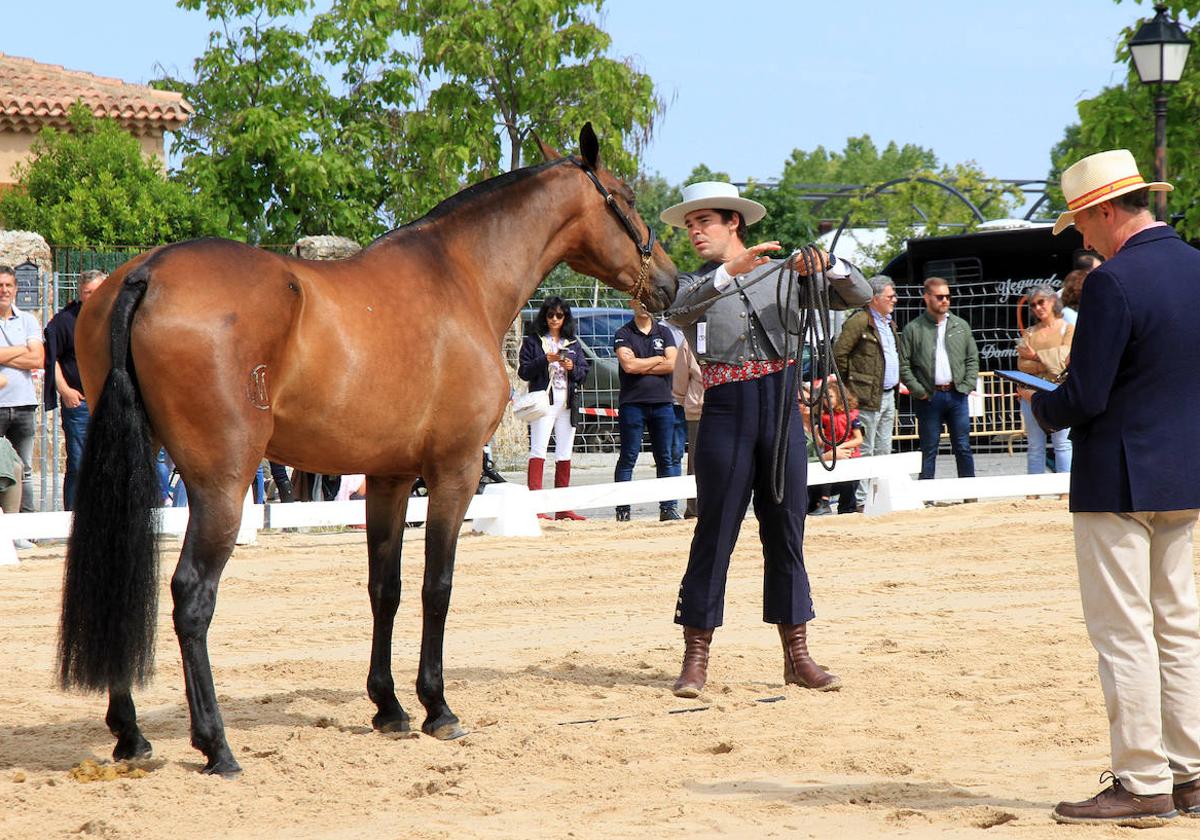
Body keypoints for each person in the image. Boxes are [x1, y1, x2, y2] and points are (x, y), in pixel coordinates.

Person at [1029, 149, 1200, 827]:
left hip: (1118, 476)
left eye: (1080, 224)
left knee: (1125, 633)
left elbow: (1088, 395)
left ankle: (1142, 779)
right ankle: (1191, 774)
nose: (1081, 237)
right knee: (1180, 626)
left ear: (1103, 210)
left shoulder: (1111, 282)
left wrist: (1045, 405)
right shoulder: (1195, 266)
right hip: (1186, 471)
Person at [663, 180, 871, 697]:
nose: (694, 232)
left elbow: (861, 294)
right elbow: (676, 312)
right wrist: (728, 273)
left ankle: (797, 655)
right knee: (714, 532)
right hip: (726, 408)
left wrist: (829, 266)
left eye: (703, 222)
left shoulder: (787, 271)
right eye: (689, 225)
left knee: (787, 531)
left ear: (734, 221)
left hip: (780, 407)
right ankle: (695, 658)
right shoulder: (696, 283)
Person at [899, 277, 979, 481]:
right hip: (929, 396)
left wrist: (967, 385)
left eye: (948, 296)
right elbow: (904, 364)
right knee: (928, 447)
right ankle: (926, 496)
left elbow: (972, 358)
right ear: (927, 298)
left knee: (963, 446)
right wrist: (919, 391)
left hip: (957, 395)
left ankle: (970, 494)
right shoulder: (913, 329)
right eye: (940, 296)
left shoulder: (960, 326)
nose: (945, 300)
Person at [518, 297, 590, 521]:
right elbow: (524, 371)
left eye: (559, 315)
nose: (555, 319)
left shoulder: (573, 343)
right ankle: (536, 507)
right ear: (544, 317)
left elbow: (583, 372)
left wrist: (572, 367)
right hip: (544, 402)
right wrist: (545, 360)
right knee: (538, 450)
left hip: (568, 403)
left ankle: (563, 507)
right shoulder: (534, 341)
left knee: (565, 452)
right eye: (550, 315)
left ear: (565, 317)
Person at [833, 275, 899, 511]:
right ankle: (860, 500)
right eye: (891, 296)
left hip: (888, 394)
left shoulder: (888, 322)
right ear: (875, 298)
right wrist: (848, 389)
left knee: (883, 448)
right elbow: (839, 353)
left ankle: (878, 498)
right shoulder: (859, 321)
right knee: (866, 449)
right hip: (865, 396)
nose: (895, 300)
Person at [43, 269, 106, 509]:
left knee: (108, 465)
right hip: (79, 404)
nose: (93, 296)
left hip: (110, 403)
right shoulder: (65, 321)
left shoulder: (117, 318)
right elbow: (51, 358)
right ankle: (71, 521)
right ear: (80, 293)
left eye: (97, 291)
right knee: (80, 465)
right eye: (88, 292)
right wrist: (65, 390)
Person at [612, 297, 678, 522]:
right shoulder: (623, 332)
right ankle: (623, 509)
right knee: (628, 456)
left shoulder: (664, 332)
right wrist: (658, 359)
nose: (645, 306)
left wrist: (643, 364)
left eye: (649, 302)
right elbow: (628, 366)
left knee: (665, 457)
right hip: (633, 403)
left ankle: (668, 508)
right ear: (631, 303)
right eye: (640, 301)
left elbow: (672, 364)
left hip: (662, 403)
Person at [0, 265, 44, 512]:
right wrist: (22, 350)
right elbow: (30, 353)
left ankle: (25, 529)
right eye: (0, 286)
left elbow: (38, 359)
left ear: (16, 289)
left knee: (25, 468)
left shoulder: (28, 320)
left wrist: (3, 356)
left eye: (8, 285)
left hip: (24, 405)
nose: (3, 290)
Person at [1015, 285, 1073, 475]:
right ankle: (1034, 492)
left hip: (1059, 392)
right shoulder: (1030, 332)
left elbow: (1065, 359)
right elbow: (1022, 365)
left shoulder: (1068, 328)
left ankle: (1065, 490)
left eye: (1041, 302)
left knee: (1062, 444)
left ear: (1052, 301)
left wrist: (1034, 356)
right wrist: (1045, 361)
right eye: (1033, 305)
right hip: (1031, 394)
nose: (1038, 307)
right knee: (1034, 445)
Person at [671, 334, 704, 519]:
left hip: (729, 409)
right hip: (698, 412)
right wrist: (692, 404)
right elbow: (680, 383)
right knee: (696, 463)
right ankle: (694, 509)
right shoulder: (691, 340)